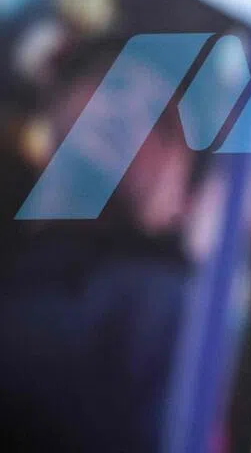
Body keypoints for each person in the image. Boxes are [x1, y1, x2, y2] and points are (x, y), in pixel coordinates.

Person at [0, 36, 215, 451]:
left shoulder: (165, 309)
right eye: (113, 86)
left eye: (160, 122)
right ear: (57, 96)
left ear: (181, 204)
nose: (125, 112)